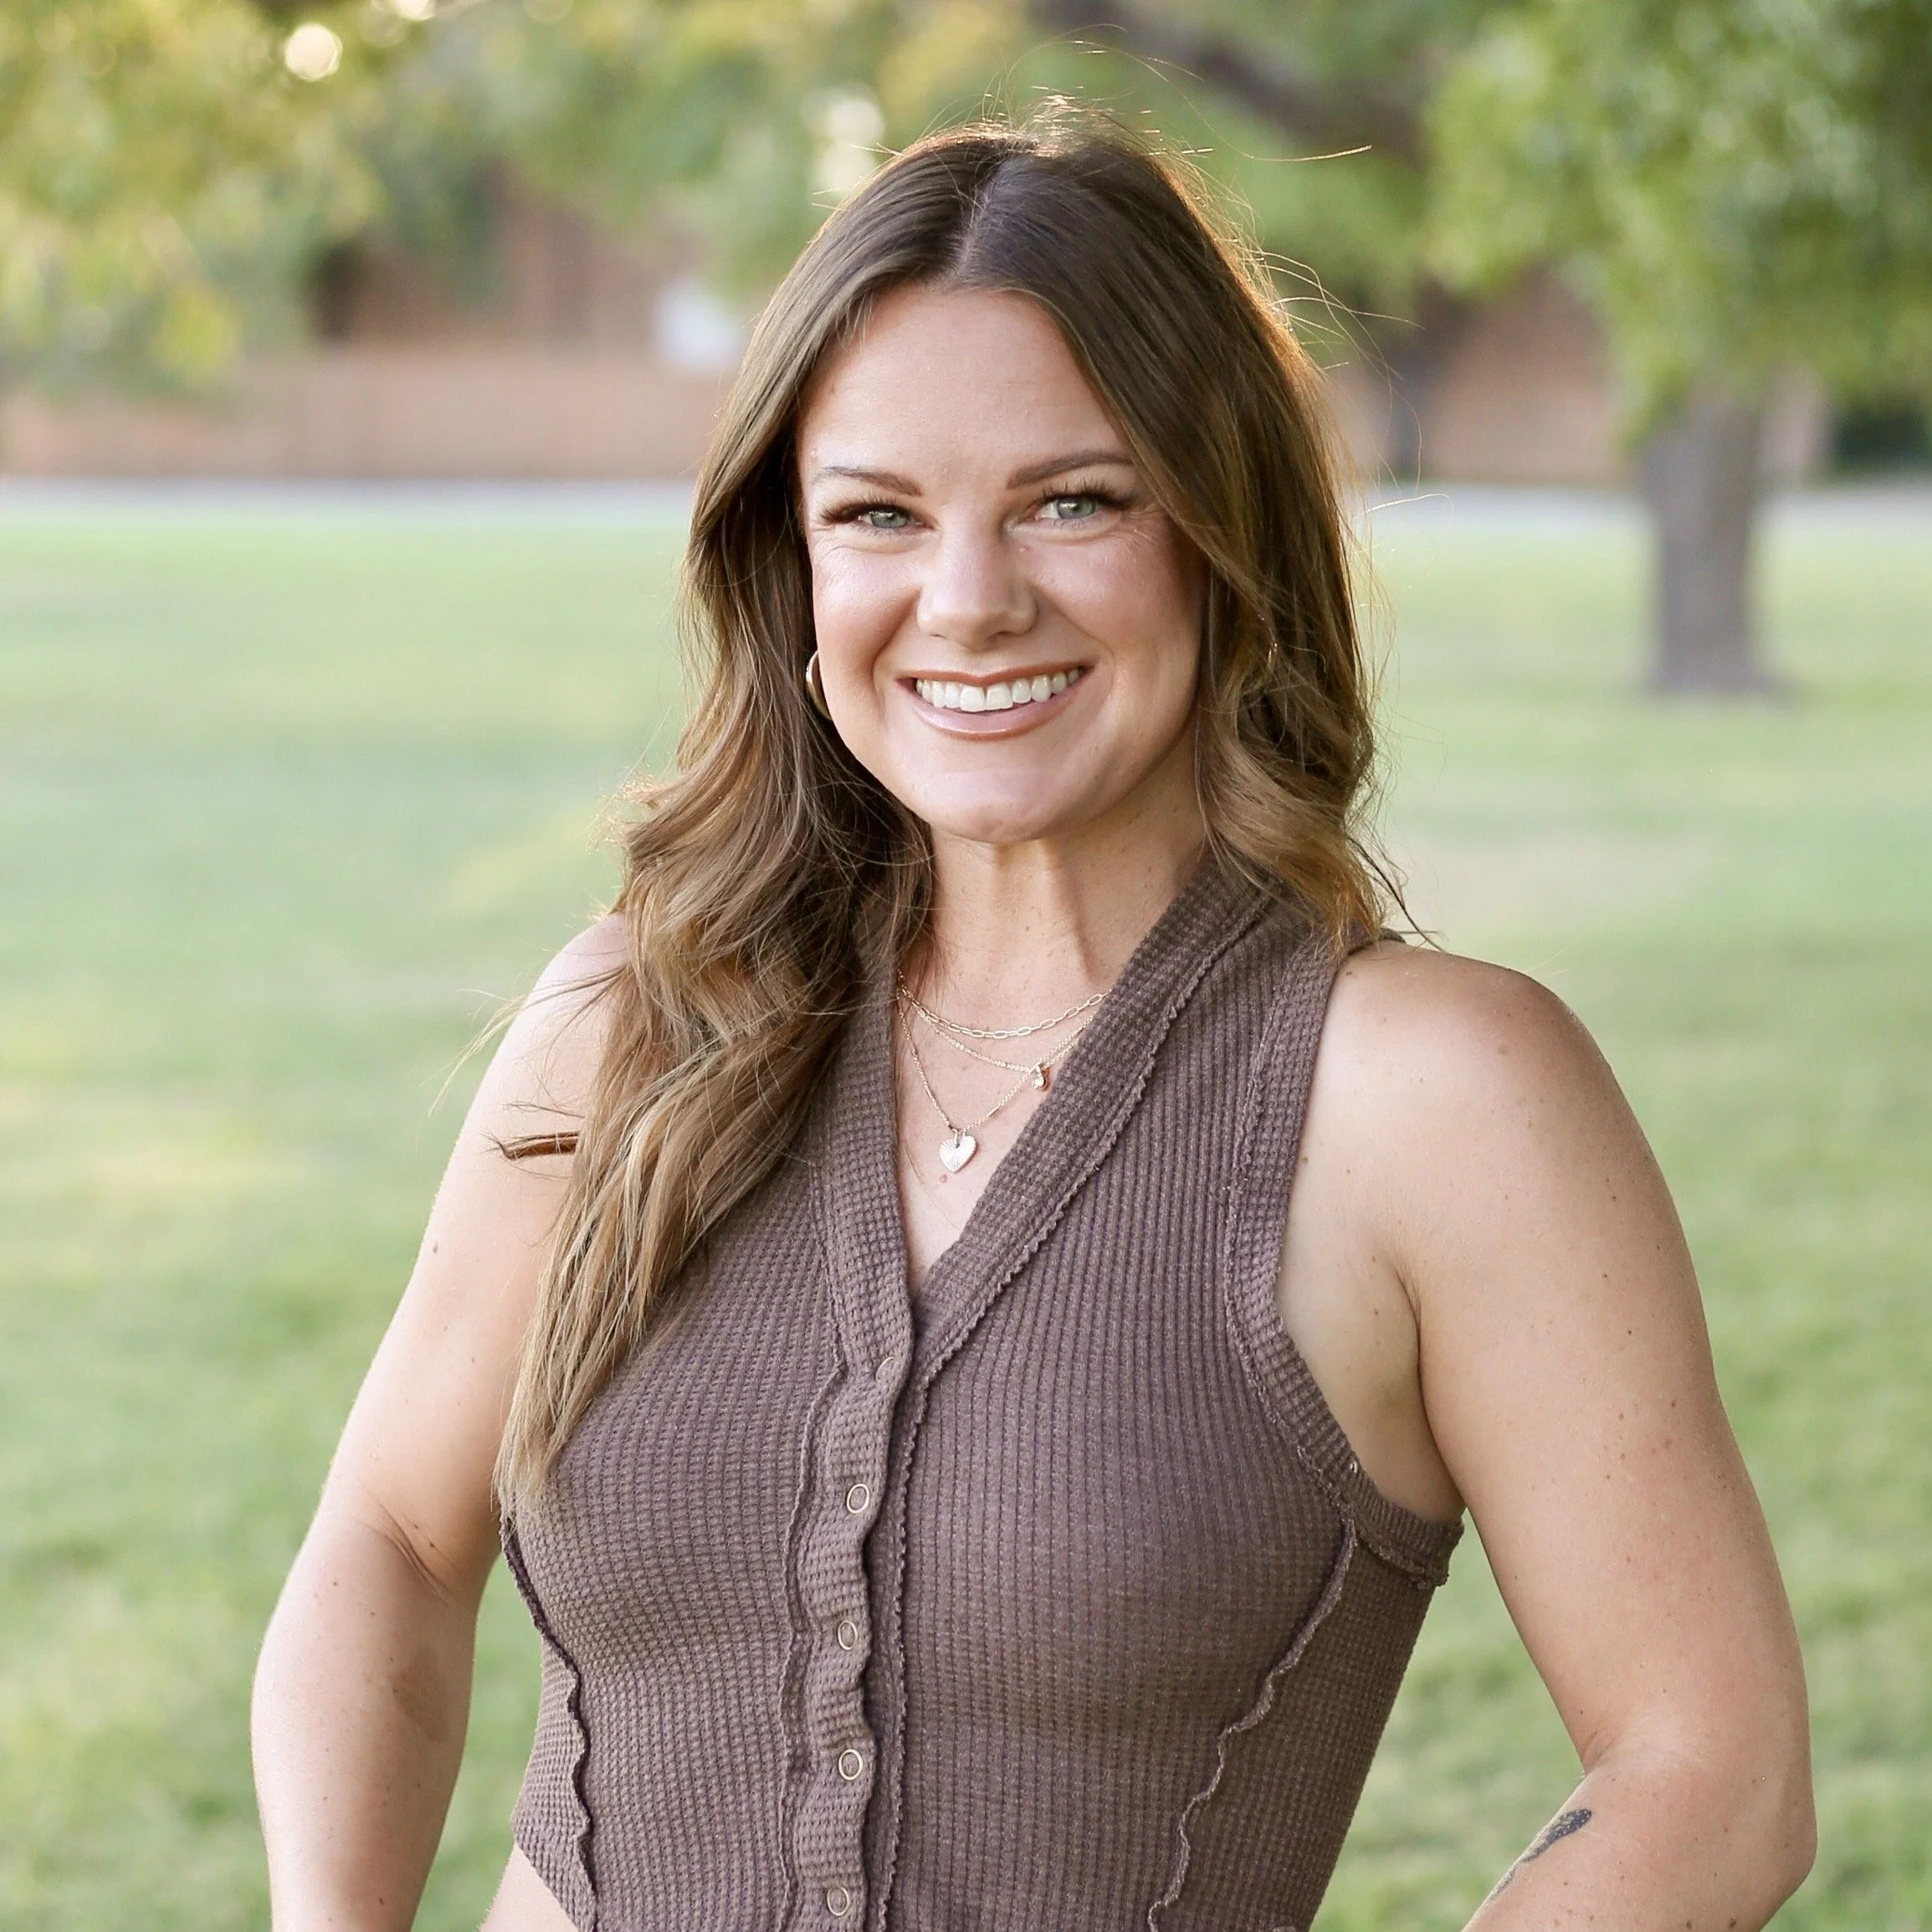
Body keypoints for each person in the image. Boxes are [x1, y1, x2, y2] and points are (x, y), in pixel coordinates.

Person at [251, 114, 1814, 1932]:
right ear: (795, 564)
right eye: (878, 516)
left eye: (1073, 499)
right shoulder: (637, 1018)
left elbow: (1711, 1771)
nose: (967, 598)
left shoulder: (1427, 1097)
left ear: (1220, 529)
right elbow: (383, 1538)